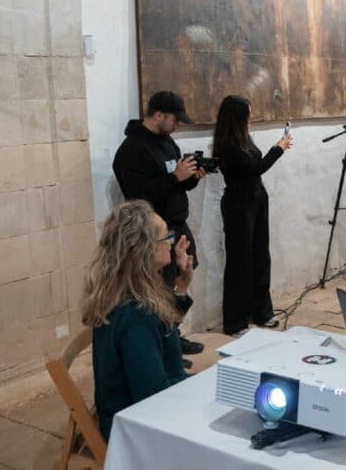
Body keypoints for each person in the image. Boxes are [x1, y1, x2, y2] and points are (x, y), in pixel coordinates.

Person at [83, 200, 193, 440]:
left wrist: (181, 287)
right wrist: (195, 387)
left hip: (143, 411)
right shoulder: (136, 314)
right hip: (136, 431)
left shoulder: (131, 291)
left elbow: (161, 334)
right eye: (166, 237)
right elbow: (152, 397)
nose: (172, 242)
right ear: (145, 249)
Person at [112, 91, 206, 358]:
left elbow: (175, 184)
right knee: (158, 289)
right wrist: (175, 177)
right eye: (175, 119)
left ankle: (173, 335)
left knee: (179, 281)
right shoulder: (131, 150)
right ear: (158, 115)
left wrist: (192, 177)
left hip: (178, 223)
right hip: (153, 233)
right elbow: (139, 194)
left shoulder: (168, 143)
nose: (177, 125)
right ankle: (164, 346)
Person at [212, 95, 293, 336]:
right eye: (248, 113)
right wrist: (278, 149)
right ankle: (236, 321)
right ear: (237, 116)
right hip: (239, 204)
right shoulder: (227, 144)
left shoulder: (243, 138)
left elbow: (255, 169)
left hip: (257, 199)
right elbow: (256, 168)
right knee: (240, 263)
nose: (251, 116)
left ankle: (262, 311)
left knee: (260, 257)